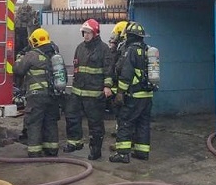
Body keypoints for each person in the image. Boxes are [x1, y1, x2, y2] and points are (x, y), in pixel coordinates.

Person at [62, 19, 113, 160]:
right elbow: (77, 68)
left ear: (95, 33)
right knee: (71, 117)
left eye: (88, 32)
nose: (86, 35)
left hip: (94, 93)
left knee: (95, 123)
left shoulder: (104, 49)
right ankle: (74, 143)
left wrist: (107, 86)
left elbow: (109, 70)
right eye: (84, 32)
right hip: (77, 92)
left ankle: (95, 150)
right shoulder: (80, 48)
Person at [110, 21, 155, 164]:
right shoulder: (147, 49)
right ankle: (142, 152)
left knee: (125, 122)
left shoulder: (131, 50)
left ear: (129, 36)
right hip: (147, 95)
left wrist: (120, 93)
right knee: (143, 123)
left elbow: (126, 74)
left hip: (134, 95)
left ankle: (122, 154)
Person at [13, 28, 61, 158]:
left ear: (34, 41)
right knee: (50, 122)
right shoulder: (54, 53)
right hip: (53, 95)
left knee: (34, 122)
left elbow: (18, 70)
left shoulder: (32, 55)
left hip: (36, 96)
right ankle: (51, 150)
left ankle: (34, 152)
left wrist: (18, 58)